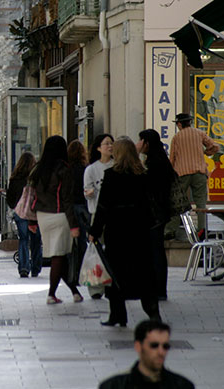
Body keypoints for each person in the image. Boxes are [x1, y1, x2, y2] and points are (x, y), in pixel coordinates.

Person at [89, 138, 161, 327]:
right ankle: (152, 310)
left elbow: (102, 207)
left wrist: (94, 231)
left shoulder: (111, 175)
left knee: (116, 272)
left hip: (117, 231)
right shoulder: (143, 175)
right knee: (144, 272)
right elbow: (151, 204)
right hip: (140, 231)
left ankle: (118, 314)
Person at [29, 136, 82, 304]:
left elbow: (32, 196)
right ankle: (51, 294)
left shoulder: (38, 169)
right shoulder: (63, 170)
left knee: (58, 254)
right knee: (58, 256)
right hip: (60, 215)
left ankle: (74, 291)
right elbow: (67, 199)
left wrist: (32, 220)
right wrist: (74, 224)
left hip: (42, 216)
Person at [138, 129, 178, 301]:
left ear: (146, 143)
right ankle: (159, 288)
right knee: (157, 251)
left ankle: (158, 288)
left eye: (140, 140)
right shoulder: (160, 160)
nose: (138, 143)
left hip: (153, 214)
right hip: (160, 213)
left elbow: (149, 190)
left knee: (154, 251)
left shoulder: (154, 164)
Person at [99, 320, 195, 388]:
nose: (161, 352)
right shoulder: (114, 386)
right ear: (138, 346)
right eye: (154, 345)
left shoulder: (182, 385)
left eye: (165, 346)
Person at [170, 112, 219, 234]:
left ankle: (172, 229)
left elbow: (172, 158)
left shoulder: (177, 137)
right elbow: (215, 147)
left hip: (182, 173)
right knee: (201, 202)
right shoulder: (199, 133)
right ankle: (201, 229)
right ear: (190, 122)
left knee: (178, 202)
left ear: (180, 124)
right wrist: (206, 152)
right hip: (199, 171)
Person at [83, 133, 114, 300]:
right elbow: (86, 191)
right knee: (96, 252)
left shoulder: (117, 166)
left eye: (111, 143)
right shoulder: (91, 169)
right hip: (97, 213)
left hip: (114, 215)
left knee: (112, 252)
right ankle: (96, 287)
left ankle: (112, 285)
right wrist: (89, 193)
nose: (110, 146)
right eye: (106, 143)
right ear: (98, 148)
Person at [7, 152, 42, 278]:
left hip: (20, 212)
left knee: (23, 239)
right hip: (34, 213)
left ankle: (23, 267)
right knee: (36, 240)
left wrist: (16, 206)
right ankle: (36, 267)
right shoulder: (35, 178)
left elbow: (10, 198)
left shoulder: (15, 178)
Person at [67, 139, 89, 288]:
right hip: (82, 206)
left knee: (69, 244)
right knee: (82, 242)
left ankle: (70, 273)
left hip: (69, 208)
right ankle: (81, 272)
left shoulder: (66, 169)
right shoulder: (85, 169)